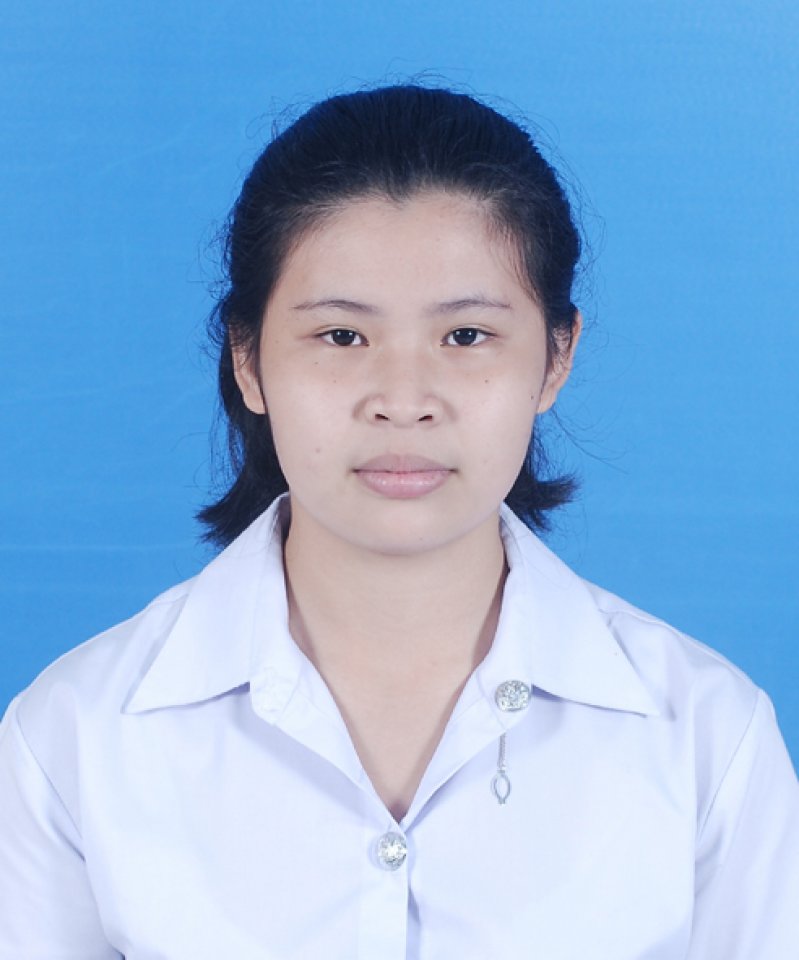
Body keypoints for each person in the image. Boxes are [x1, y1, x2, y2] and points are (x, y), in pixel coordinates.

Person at [0, 84, 797, 959]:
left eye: (465, 337)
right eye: (342, 337)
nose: (404, 400)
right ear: (247, 359)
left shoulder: (706, 739)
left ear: (556, 356)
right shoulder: (74, 740)